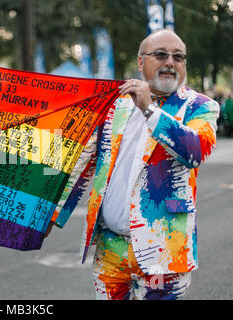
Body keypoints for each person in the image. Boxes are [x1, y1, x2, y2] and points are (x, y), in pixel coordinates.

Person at [46, 30, 219, 300]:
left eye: (178, 57)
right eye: (161, 54)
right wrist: (51, 213)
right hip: (110, 249)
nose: (170, 62)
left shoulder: (200, 106)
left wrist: (150, 109)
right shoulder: (115, 105)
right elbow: (82, 161)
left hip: (164, 253)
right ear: (141, 62)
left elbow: (194, 151)